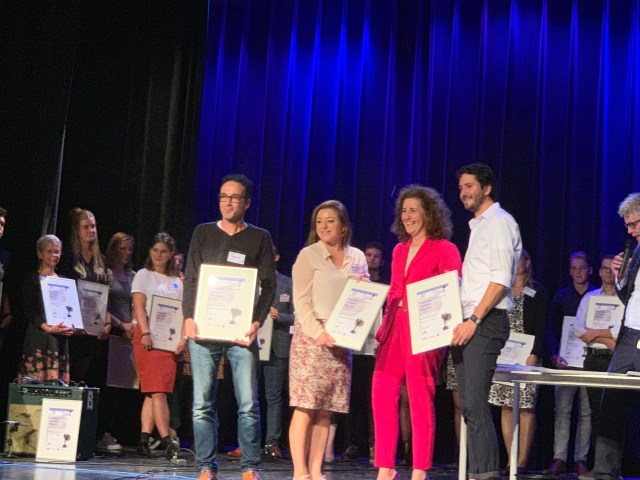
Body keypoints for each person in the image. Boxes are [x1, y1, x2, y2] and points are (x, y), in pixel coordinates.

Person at [182, 174, 276, 480]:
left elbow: (269, 286)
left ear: (246, 202)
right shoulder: (203, 232)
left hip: (241, 332)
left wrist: (256, 322)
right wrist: (188, 316)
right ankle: (206, 466)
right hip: (203, 329)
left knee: (248, 404)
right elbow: (192, 277)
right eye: (223, 196)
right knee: (201, 404)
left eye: (234, 197)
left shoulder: (259, 237)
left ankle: (250, 467)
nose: (228, 202)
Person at [371, 185, 462, 480]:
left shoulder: (445, 248)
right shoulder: (399, 250)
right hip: (394, 328)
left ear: (429, 214)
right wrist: (382, 331)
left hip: (425, 330)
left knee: (420, 397)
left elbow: (451, 289)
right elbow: (395, 291)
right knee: (382, 393)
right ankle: (386, 466)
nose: (407, 216)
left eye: (414, 210)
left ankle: (420, 468)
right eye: (404, 210)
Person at [451, 162, 522, 480]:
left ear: (487, 188)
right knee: (468, 404)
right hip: (469, 321)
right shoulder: (480, 226)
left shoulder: (499, 223)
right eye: (461, 188)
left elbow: (500, 280)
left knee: (476, 403)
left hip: (485, 321)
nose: (463, 192)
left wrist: (474, 320)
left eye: (469, 186)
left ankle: (486, 474)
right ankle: (480, 471)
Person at [288, 199, 368, 480]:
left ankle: (316, 469)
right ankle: (300, 471)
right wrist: (317, 332)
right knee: (305, 405)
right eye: (319, 221)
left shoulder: (357, 257)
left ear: (343, 227)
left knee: (326, 409)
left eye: (330, 221)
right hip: (311, 339)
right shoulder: (308, 255)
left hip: (342, 338)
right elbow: (301, 301)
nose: (323, 226)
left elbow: (363, 295)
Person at [58, 208, 121, 453]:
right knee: (76, 379)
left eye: (93, 226)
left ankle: (91, 435)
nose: (91, 231)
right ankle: (70, 435)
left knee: (95, 384)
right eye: (86, 227)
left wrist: (108, 322)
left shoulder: (100, 260)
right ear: (77, 230)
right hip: (77, 333)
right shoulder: (68, 259)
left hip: (97, 333)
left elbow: (106, 298)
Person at [590, 193, 640, 480]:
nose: (630, 231)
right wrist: (620, 277)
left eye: (634, 224)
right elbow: (629, 297)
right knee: (610, 401)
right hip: (629, 336)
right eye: (627, 226)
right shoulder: (637, 252)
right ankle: (605, 471)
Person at [487, 248, 548, 473]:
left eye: (519, 259)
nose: (515, 263)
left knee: (525, 408)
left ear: (528, 263)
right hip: (504, 355)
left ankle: (522, 461)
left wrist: (535, 353)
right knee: (506, 407)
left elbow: (542, 325)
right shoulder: (501, 290)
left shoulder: (537, 291)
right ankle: (510, 459)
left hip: (527, 356)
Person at [132, 232, 184, 459]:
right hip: (149, 338)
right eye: (155, 250)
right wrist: (145, 332)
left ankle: (144, 439)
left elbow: (183, 313)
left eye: (163, 251)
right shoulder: (143, 275)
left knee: (153, 391)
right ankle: (167, 439)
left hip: (169, 341)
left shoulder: (177, 281)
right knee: (158, 391)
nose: (158, 255)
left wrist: (183, 339)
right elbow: (139, 307)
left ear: (171, 254)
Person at [545, 251, 596, 476]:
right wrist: (554, 355)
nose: (578, 272)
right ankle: (559, 458)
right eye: (574, 268)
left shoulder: (597, 296)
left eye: (582, 268)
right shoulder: (561, 297)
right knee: (562, 410)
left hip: (589, 363)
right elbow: (552, 329)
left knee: (586, 412)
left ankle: (580, 459)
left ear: (590, 270)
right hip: (565, 362)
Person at [342, 241, 388, 464]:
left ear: (382, 260)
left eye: (376, 256)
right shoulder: (354, 286)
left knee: (374, 400)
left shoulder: (386, 288)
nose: (372, 259)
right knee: (354, 398)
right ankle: (353, 443)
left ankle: (374, 444)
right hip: (355, 346)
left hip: (375, 349)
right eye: (368, 255)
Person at [573, 255, 618, 463]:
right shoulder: (590, 298)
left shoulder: (625, 298)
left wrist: (596, 333)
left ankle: (612, 466)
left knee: (614, 413)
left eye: (611, 269)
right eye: (604, 268)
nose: (607, 272)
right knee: (595, 412)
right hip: (593, 359)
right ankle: (597, 464)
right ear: (598, 272)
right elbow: (579, 329)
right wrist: (607, 339)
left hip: (615, 360)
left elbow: (623, 330)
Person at [19, 235, 74, 382]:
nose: (54, 255)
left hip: (59, 339)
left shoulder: (64, 282)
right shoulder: (32, 280)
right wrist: (48, 328)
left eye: (57, 251)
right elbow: (29, 311)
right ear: (40, 254)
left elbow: (70, 310)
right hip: (39, 336)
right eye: (49, 251)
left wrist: (72, 325)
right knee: (35, 385)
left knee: (57, 386)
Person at [262, 246, 294, 460]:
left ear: (276, 257)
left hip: (277, 346)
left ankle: (271, 442)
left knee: (273, 396)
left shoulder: (288, 283)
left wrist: (279, 316)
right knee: (248, 397)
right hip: (253, 344)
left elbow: (297, 316)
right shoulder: (253, 281)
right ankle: (247, 443)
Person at [0, 207, 12, 353]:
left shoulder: (4, 256)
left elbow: (4, 285)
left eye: (2, 224)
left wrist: (7, 313)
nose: (0, 228)